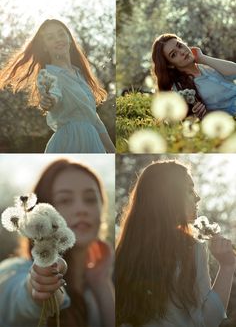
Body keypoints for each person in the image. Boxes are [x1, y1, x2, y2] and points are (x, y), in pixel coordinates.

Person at [116, 160, 236, 327]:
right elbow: (209, 321)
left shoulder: (124, 252)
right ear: (169, 197)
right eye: (189, 190)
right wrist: (227, 266)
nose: (197, 197)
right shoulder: (190, 247)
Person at [0, 158, 115, 327]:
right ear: (41, 212)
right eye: (65, 200)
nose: (81, 208)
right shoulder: (13, 272)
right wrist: (39, 284)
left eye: (90, 199)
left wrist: (101, 283)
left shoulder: (96, 286)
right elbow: (18, 302)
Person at [0, 19, 115, 153]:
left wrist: (112, 150)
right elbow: (53, 93)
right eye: (50, 37)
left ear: (70, 39)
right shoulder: (48, 74)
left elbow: (94, 119)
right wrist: (49, 100)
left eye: (61, 34)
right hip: (69, 142)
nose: (58, 39)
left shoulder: (80, 75)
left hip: (93, 143)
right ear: (45, 47)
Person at [152, 33, 236, 118]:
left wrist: (203, 58)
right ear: (170, 65)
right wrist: (198, 115)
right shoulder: (181, 90)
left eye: (180, 46)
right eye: (174, 54)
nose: (182, 52)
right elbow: (184, 118)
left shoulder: (206, 65)